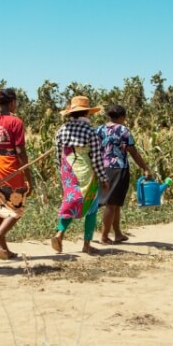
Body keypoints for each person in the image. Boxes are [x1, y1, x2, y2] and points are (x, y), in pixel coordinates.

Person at [52, 96, 108, 255]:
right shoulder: (90, 131)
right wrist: (103, 178)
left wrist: (62, 172)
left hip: (68, 171)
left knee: (71, 200)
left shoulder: (61, 130)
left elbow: (58, 155)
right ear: (87, 113)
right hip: (85, 173)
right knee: (91, 208)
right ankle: (86, 244)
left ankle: (60, 234)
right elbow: (96, 159)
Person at [0, 88, 33, 260]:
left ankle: (3, 250)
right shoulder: (15, 122)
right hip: (10, 166)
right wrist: (29, 177)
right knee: (16, 209)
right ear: (12, 102)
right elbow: (20, 151)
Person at [96, 104, 153, 244]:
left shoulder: (99, 129)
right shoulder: (123, 130)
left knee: (115, 203)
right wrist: (145, 167)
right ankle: (104, 236)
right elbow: (132, 151)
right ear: (122, 117)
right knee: (111, 204)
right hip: (118, 168)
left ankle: (118, 234)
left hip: (102, 167)